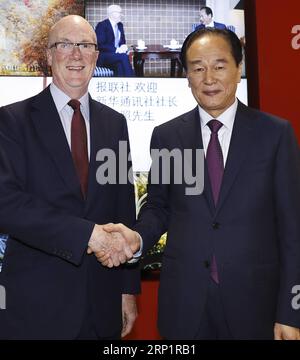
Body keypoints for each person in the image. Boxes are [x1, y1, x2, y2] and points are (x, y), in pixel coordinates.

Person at [97, 28, 300, 340]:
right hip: (185, 306)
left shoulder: (274, 135)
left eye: (219, 66)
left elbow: (292, 229)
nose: (209, 78)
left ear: (238, 68)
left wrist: (291, 312)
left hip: (257, 306)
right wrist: (136, 237)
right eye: (197, 68)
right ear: (187, 75)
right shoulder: (169, 137)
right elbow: (159, 209)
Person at [0, 15, 139, 339]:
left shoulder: (114, 123)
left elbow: (122, 207)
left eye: (85, 46)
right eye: (65, 45)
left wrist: (128, 290)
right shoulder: (11, 121)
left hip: (101, 304)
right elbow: (7, 204)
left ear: (96, 56)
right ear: (49, 56)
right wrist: (87, 234)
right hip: (35, 307)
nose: (76, 55)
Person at [95, 4, 134, 77]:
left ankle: (123, 85)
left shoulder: (120, 25)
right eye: (119, 12)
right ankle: (132, 80)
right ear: (111, 14)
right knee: (124, 57)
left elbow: (122, 41)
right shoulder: (102, 25)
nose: (121, 15)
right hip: (105, 56)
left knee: (120, 65)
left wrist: (123, 46)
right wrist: (116, 50)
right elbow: (100, 44)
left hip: (116, 56)